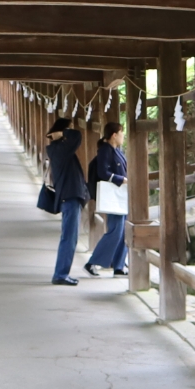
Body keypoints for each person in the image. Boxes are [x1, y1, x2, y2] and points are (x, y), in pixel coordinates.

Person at [44, 117, 89, 285]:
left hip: (69, 196)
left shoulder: (59, 149)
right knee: (69, 237)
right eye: (67, 129)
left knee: (69, 237)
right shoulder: (60, 149)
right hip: (69, 197)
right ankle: (60, 274)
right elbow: (77, 136)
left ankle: (61, 273)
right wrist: (63, 132)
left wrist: (61, 133)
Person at [85, 122, 129, 277]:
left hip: (121, 196)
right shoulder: (105, 150)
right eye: (121, 133)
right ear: (114, 135)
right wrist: (121, 179)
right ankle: (92, 262)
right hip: (114, 197)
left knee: (123, 231)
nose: (123, 136)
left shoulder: (117, 150)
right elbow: (103, 172)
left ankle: (118, 265)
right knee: (115, 231)